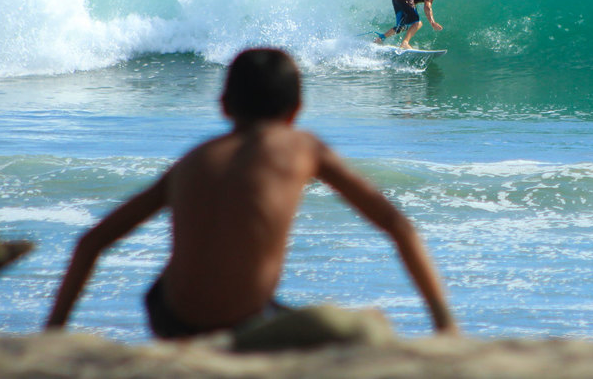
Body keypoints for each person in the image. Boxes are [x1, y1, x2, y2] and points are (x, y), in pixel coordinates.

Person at [46, 48, 457, 346]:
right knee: (369, 329)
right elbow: (397, 226)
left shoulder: (194, 158)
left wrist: (52, 334)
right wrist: (444, 326)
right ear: (297, 109)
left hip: (167, 316)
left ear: (224, 105)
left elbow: (91, 242)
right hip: (240, 325)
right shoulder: (302, 147)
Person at [374, 0, 449, 49]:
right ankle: (405, 43)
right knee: (418, 23)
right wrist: (433, 22)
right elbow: (427, 7)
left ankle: (380, 39)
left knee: (401, 27)